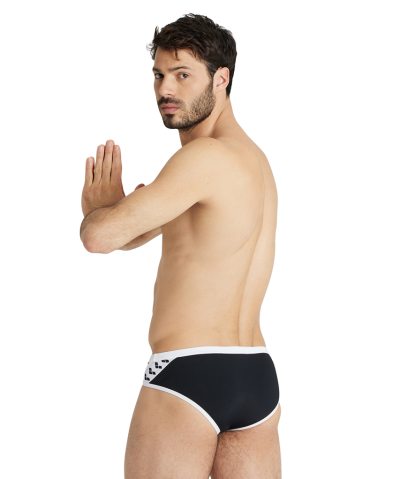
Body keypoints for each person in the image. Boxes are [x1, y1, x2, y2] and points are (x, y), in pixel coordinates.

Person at [80, 13, 282, 479]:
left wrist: (98, 212)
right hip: (256, 376)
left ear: (221, 79)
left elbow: (97, 238)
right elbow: (162, 234)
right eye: (158, 75)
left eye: (182, 75)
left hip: (189, 374)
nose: (165, 89)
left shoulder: (202, 157)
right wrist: (119, 214)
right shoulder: (254, 160)